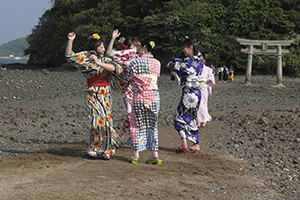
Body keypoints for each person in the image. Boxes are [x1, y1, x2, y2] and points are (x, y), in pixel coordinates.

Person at [65, 32, 125, 160]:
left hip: (105, 92)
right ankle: (94, 147)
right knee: (95, 121)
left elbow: (116, 69)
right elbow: (70, 56)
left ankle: (108, 149)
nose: (103, 49)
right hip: (92, 92)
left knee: (106, 121)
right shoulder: (86, 59)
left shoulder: (106, 60)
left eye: (103, 47)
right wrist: (71, 40)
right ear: (95, 48)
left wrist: (98, 62)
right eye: (101, 47)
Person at [124, 37, 162, 165]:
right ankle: (154, 154)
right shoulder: (157, 63)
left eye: (139, 47)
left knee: (136, 124)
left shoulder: (134, 63)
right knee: (153, 125)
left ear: (144, 47)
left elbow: (126, 79)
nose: (138, 49)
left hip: (139, 96)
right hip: (153, 96)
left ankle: (136, 154)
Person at [167, 38, 204, 154]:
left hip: (189, 91)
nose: (183, 50)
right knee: (191, 117)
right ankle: (194, 143)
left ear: (190, 47)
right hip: (197, 92)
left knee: (179, 117)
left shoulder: (185, 63)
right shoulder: (200, 59)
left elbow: (171, 65)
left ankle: (185, 143)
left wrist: (172, 63)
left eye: (185, 47)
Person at [106, 29, 140, 140]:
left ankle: (122, 135)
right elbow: (109, 53)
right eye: (131, 47)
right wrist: (113, 38)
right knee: (130, 112)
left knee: (133, 112)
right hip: (127, 88)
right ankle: (134, 137)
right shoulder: (125, 57)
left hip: (138, 88)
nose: (133, 49)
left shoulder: (139, 56)